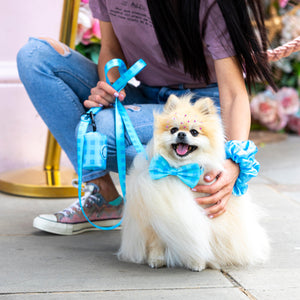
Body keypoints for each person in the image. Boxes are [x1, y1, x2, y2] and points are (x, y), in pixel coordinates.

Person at [17, 0, 276, 235]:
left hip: (199, 109)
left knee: (103, 129)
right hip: (147, 97)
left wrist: (233, 161)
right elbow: (110, 47)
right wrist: (110, 88)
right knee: (35, 56)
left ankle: (190, 176)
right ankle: (104, 196)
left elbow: (232, 93)